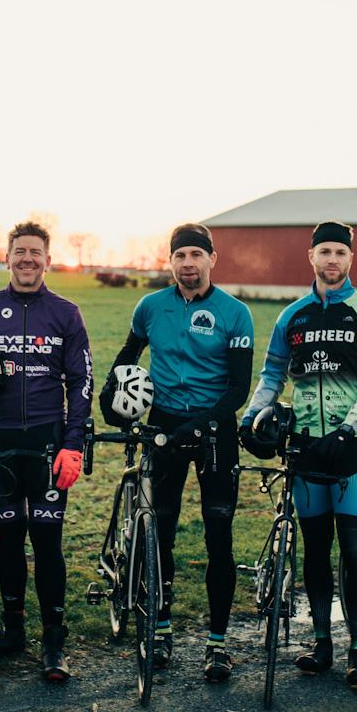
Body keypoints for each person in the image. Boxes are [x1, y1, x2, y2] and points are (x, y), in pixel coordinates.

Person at [240, 221, 357, 690]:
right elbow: (272, 375)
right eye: (324, 251)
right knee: (314, 550)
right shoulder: (293, 316)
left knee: (354, 550)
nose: (332, 260)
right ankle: (323, 643)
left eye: (340, 253)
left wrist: (352, 425)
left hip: (352, 448)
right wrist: (250, 418)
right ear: (311, 256)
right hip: (306, 445)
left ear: (350, 259)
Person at [98, 223, 253, 683]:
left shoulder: (235, 312)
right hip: (163, 426)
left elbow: (239, 388)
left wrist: (202, 424)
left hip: (214, 430)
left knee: (218, 535)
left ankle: (218, 644)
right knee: (159, 530)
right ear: (170, 261)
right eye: (180, 255)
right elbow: (127, 358)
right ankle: (160, 629)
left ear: (212, 259)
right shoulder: (150, 307)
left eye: (196, 255)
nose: (188, 264)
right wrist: (111, 396)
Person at [0, 221, 92, 682]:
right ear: (6, 259)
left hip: (47, 443)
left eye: (36, 253)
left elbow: (80, 384)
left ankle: (53, 638)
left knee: (47, 542)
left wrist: (73, 445)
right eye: (19, 252)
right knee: (7, 538)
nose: (27, 259)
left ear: (48, 259)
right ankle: (13, 628)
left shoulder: (66, 313)